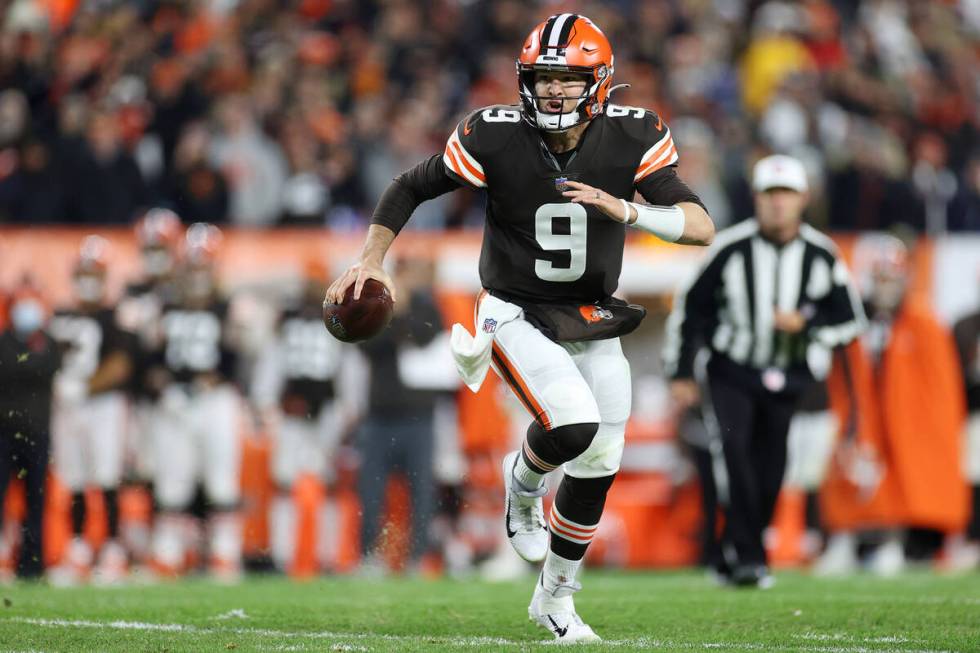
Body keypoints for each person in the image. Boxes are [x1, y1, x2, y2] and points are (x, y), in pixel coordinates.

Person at [326, 14, 714, 642]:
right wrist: (372, 259)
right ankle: (523, 481)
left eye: (569, 78)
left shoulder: (633, 135)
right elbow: (410, 185)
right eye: (545, 78)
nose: (555, 90)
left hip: (590, 314)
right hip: (512, 309)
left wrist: (628, 209)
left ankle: (555, 599)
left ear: (600, 81)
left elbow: (700, 225)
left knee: (601, 460)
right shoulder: (495, 133)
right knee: (574, 425)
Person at [664, 154, 865, 588]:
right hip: (731, 370)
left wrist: (808, 325)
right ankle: (749, 557)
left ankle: (740, 551)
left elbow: (851, 319)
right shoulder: (730, 248)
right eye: (771, 194)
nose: (778, 203)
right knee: (734, 459)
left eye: (786, 194)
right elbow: (691, 310)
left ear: (803, 199)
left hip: (789, 374)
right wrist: (680, 372)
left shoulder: (821, 254)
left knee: (772, 469)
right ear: (757, 198)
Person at [817, 236, 969, 576]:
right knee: (852, 478)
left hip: (908, 425)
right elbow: (847, 382)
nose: (887, 287)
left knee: (913, 480)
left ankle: (909, 544)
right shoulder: (854, 325)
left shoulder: (924, 324)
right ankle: (847, 541)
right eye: (881, 277)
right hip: (865, 421)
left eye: (892, 278)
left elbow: (939, 391)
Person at [148, 223, 244, 582]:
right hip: (175, 401)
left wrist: (218, 378)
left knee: (221, 479)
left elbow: (238, 358)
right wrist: (160, 381)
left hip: (216, 399)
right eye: (193, 265)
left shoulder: (230, 306)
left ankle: (224, 553)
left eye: (204, 265)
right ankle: (168, 553)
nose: (198, 273)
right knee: (173, 479)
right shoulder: (165, 305)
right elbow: (153, 359)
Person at [251, 262, 355, 573]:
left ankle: (325, 554)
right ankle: (286, 555)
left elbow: (348, 364)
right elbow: (272, 360)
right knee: (285, 482)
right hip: (292, 412)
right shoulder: (287, 320)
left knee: (326, 483)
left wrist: (349, 406)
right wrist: (265, 402)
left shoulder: (340, 317)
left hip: (326, 412)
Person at [47, 237, 135, 586]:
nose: (86, 279)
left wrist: (86, 386)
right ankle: (79, 547)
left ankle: (113, 549)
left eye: (93, 273)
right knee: (75, 477)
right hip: (68, 406)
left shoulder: (114, 314)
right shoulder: (59, 314)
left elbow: (122, 362)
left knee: (107, 475)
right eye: (82, 272)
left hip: (103, 405)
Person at [353, 256, 448, 575]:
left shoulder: (428, 305)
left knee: (421, 493)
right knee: (371, 492)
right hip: (380, 415)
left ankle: (417, 558)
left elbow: (428, 336)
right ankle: (370, 557)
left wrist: (402, 314)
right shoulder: (376, 305)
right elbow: (367, 344)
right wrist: (395, 315)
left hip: (419, 416)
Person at [0, 280, 62, 581]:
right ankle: (2, 556)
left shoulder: (49, 343)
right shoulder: (3, 341)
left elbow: (42, 369)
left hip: (37, 432)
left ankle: (32, 561)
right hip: (4, 432)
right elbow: (22, 370)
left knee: (35, 500)